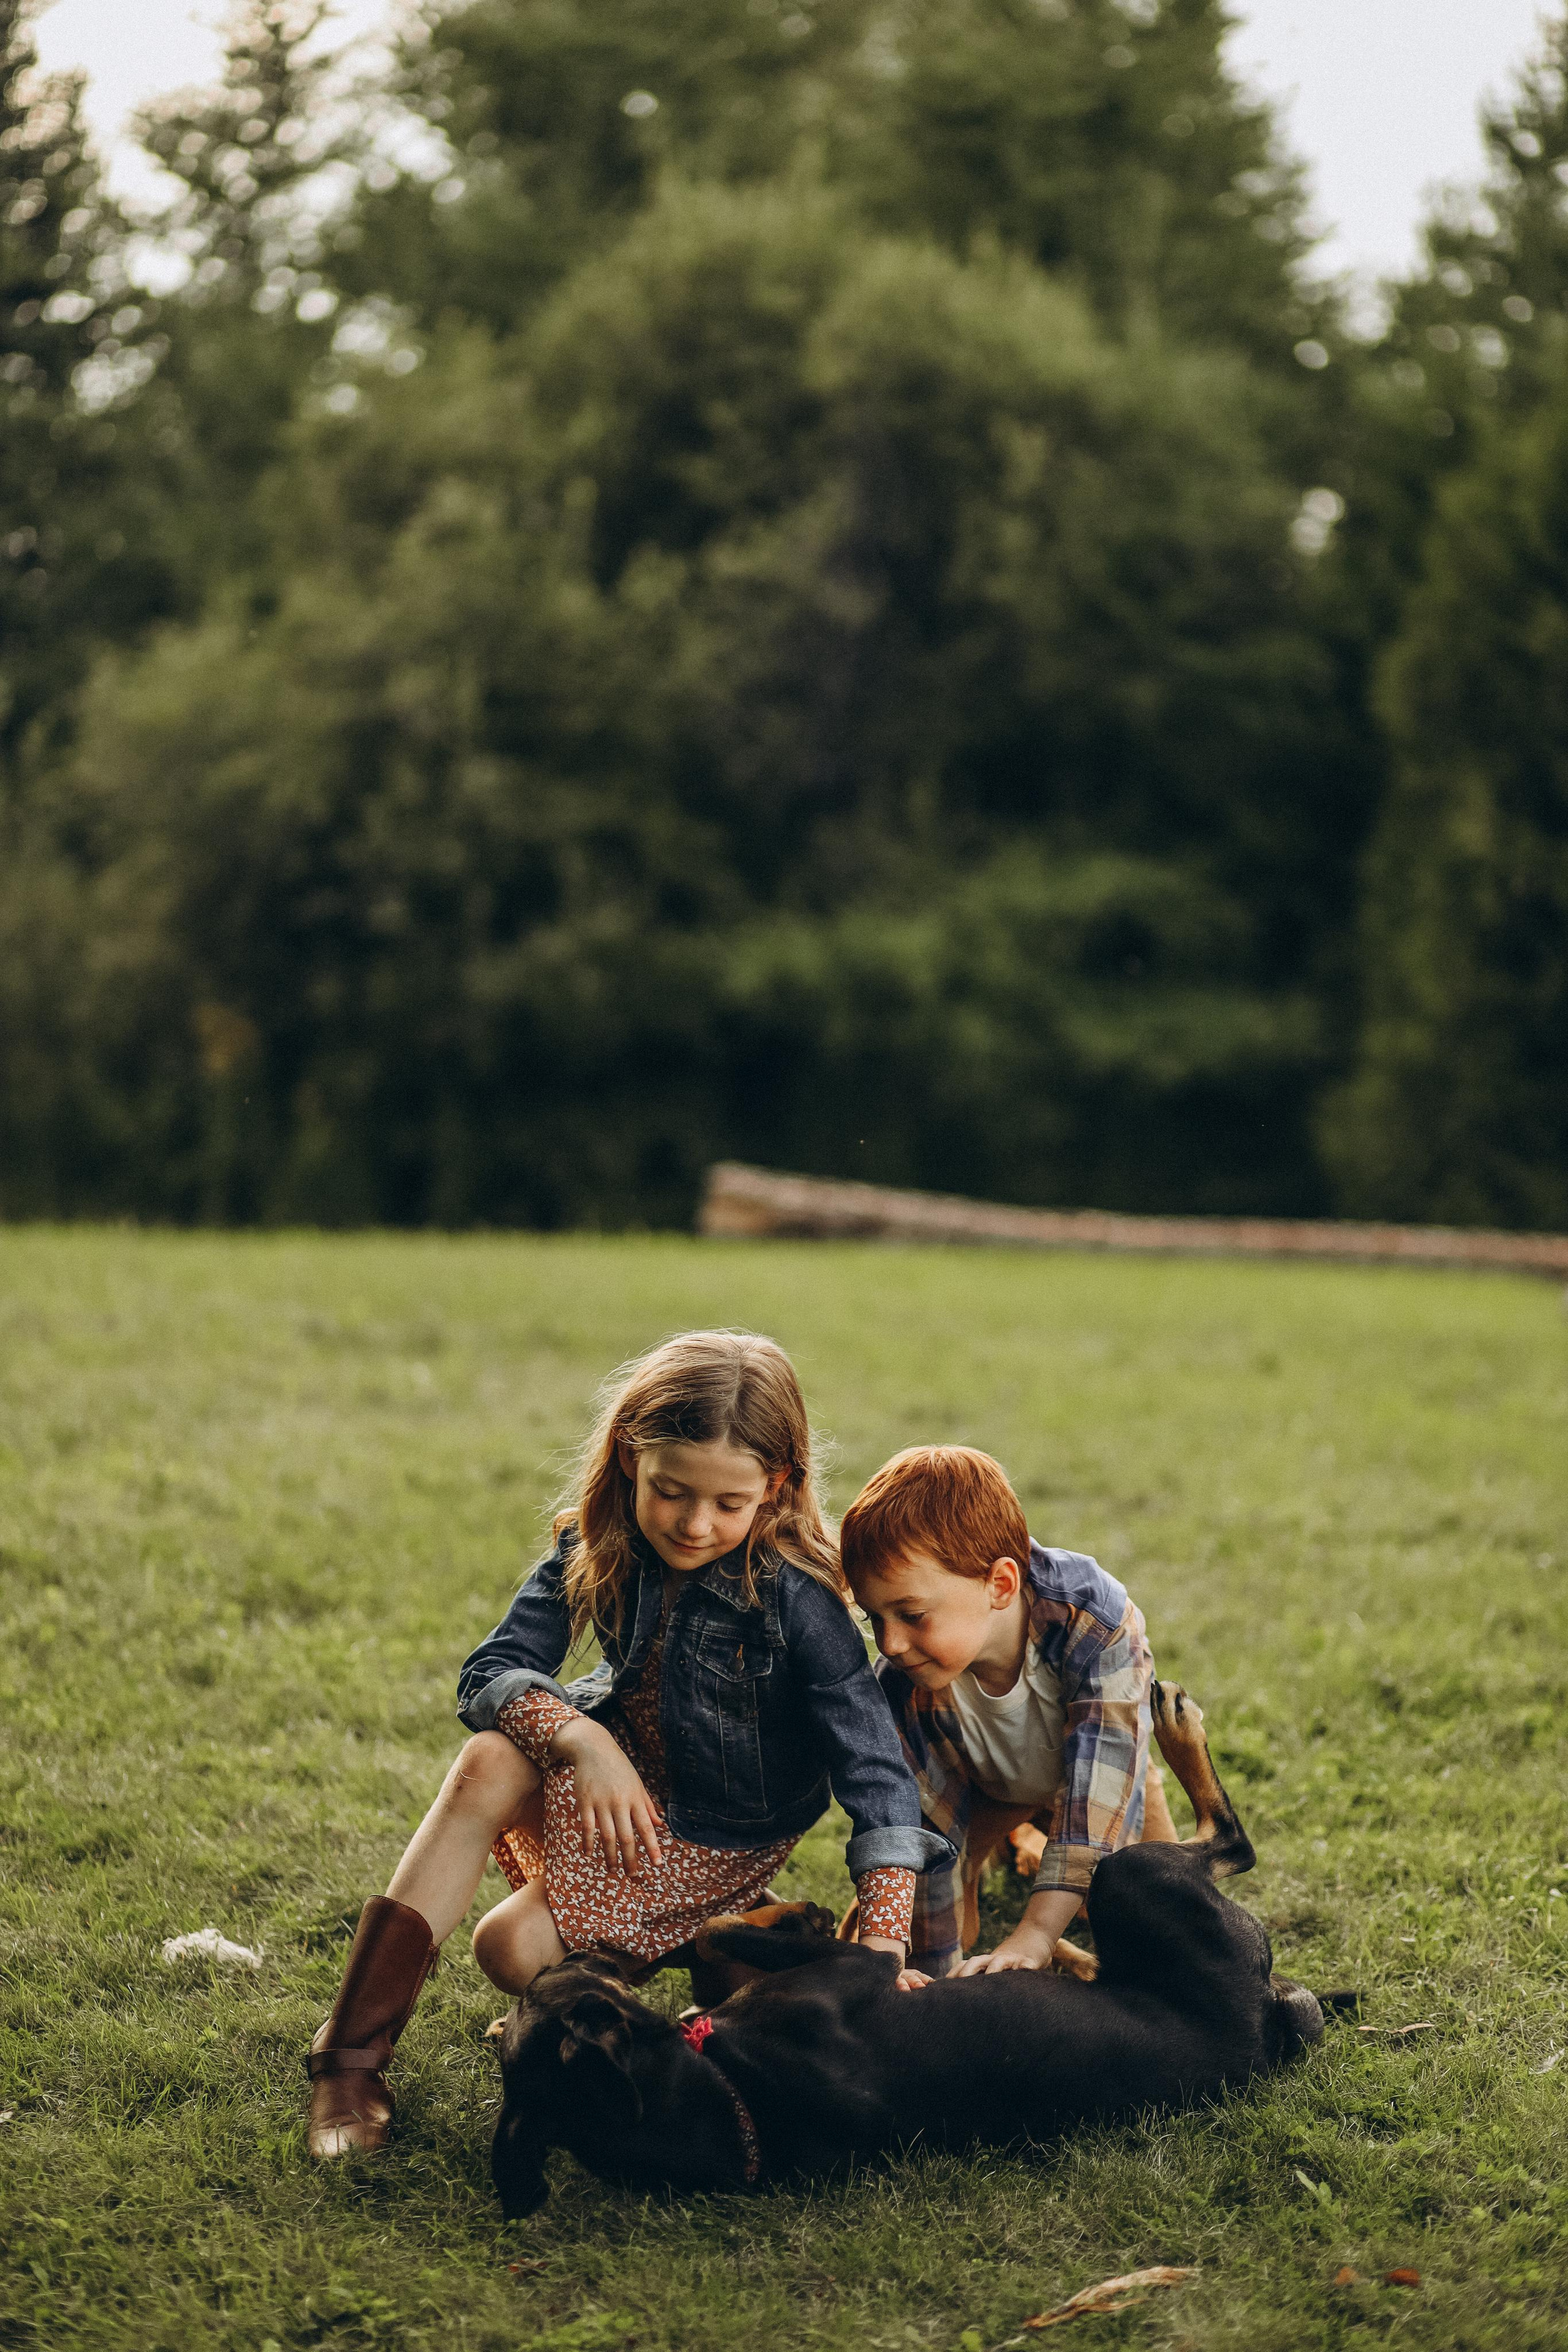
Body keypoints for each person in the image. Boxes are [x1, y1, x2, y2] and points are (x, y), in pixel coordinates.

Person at [306, 1330, 949, 2160]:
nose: (693, 1523)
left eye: (728, 1503)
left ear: (776, 1487)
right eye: (671, 1491)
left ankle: (734, 1932)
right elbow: (492, 1671)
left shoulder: (800, 1600)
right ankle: (350, 2060)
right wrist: (580, 1742)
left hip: (716, 1833)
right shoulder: (599, 1540)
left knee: (508, 1949)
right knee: (489, 1759)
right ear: (626, 1459)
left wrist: (886, 1941)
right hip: (615, 1775)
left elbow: (875, 1771)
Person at [839, 1443, 1177, 1986]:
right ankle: (1017, 1846)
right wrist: (923, 1973)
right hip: (988, 1793)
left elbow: (1100, 1797)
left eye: (911, 1614)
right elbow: (920, 1828)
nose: (892, 1643)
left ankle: (1049, 1872)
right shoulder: (901, 1685)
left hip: (1098, 1781)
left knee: (1161, 1910)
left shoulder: (1095, 1621)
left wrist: (1037, 1935)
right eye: (874, 1618)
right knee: (941, 1936)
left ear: (1000, 1584)